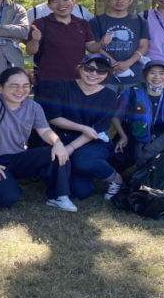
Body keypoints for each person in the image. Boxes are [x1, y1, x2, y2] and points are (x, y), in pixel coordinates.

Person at [0, 67, 78, 212]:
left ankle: (59, 196)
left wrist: (58, 143)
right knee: (7, 199)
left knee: (58, 152)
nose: (20, 90)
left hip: (19, 157)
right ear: (0, 87)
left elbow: (45, 130)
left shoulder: (33, 106)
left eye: (25, 86)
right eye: (14, 86)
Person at [38, 54, 126, 200]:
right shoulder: (62, 86)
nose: (93, 74)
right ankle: (74, 171)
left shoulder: (109, 95)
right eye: (89, 68)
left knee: (84, 162)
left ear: (107, 74)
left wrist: (71, 148)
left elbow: (97, 130)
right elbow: (53, 117)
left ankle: (115, 179)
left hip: (92, 141)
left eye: (100, 71)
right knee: (81, 191)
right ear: (80, 67)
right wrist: (82, 128)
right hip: (61, 138)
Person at [112, 59, 164, 172]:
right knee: (122, 160)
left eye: (162, 73)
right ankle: (148, 164)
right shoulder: (132, 92)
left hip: (162, 140)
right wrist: (122, 136)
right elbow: (116, 117)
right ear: (145, 75)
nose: (157, 77)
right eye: (152, 73)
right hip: (137, 139)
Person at [25, 0, 101, 87]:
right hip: (48, 80)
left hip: (78, 80)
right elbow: (30, 51)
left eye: (65, 0)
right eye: (55, 1)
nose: (61, 4)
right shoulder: (40, 23)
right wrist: (35, 40)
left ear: (73, 2)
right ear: (49, 6)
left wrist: (102, 43)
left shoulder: (82, 23)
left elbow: (91, 47)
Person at [92, 0, 150, 93]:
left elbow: (144, 46)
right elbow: (93, 47)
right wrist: (113, 64)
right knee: (107, 108)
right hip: (104, 75)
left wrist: (128, 62)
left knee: (133, 108)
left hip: (133, 75)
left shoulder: (139, 20)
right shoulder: (97, 21)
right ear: (108, 0)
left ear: (130, 0)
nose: (119, 1)